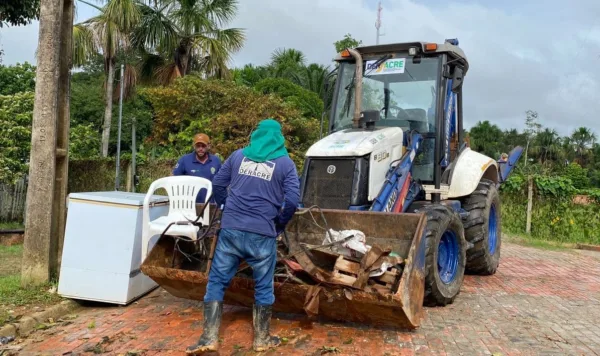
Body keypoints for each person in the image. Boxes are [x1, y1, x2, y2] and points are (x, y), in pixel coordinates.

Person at [186, 119, 300, 355]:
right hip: (262, 233)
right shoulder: (285, 163)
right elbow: (292, 201)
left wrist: (227, 205)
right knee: (263, 286)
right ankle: (261, 339)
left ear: (256, 136)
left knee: (217, 281)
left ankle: (208, 338)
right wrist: (279, 223)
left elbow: (218, 183)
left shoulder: (238, 156)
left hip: (231, 231)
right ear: (278, 139)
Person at [172, 133, 221, 203]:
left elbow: (221, 182)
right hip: (189, 204)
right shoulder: (184, 160)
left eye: (203, 146)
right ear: (194, 146)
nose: (200, 149)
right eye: (198, 146)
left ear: (208, 146)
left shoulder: (216, 161)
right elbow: (174, 180)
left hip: (210, 204)